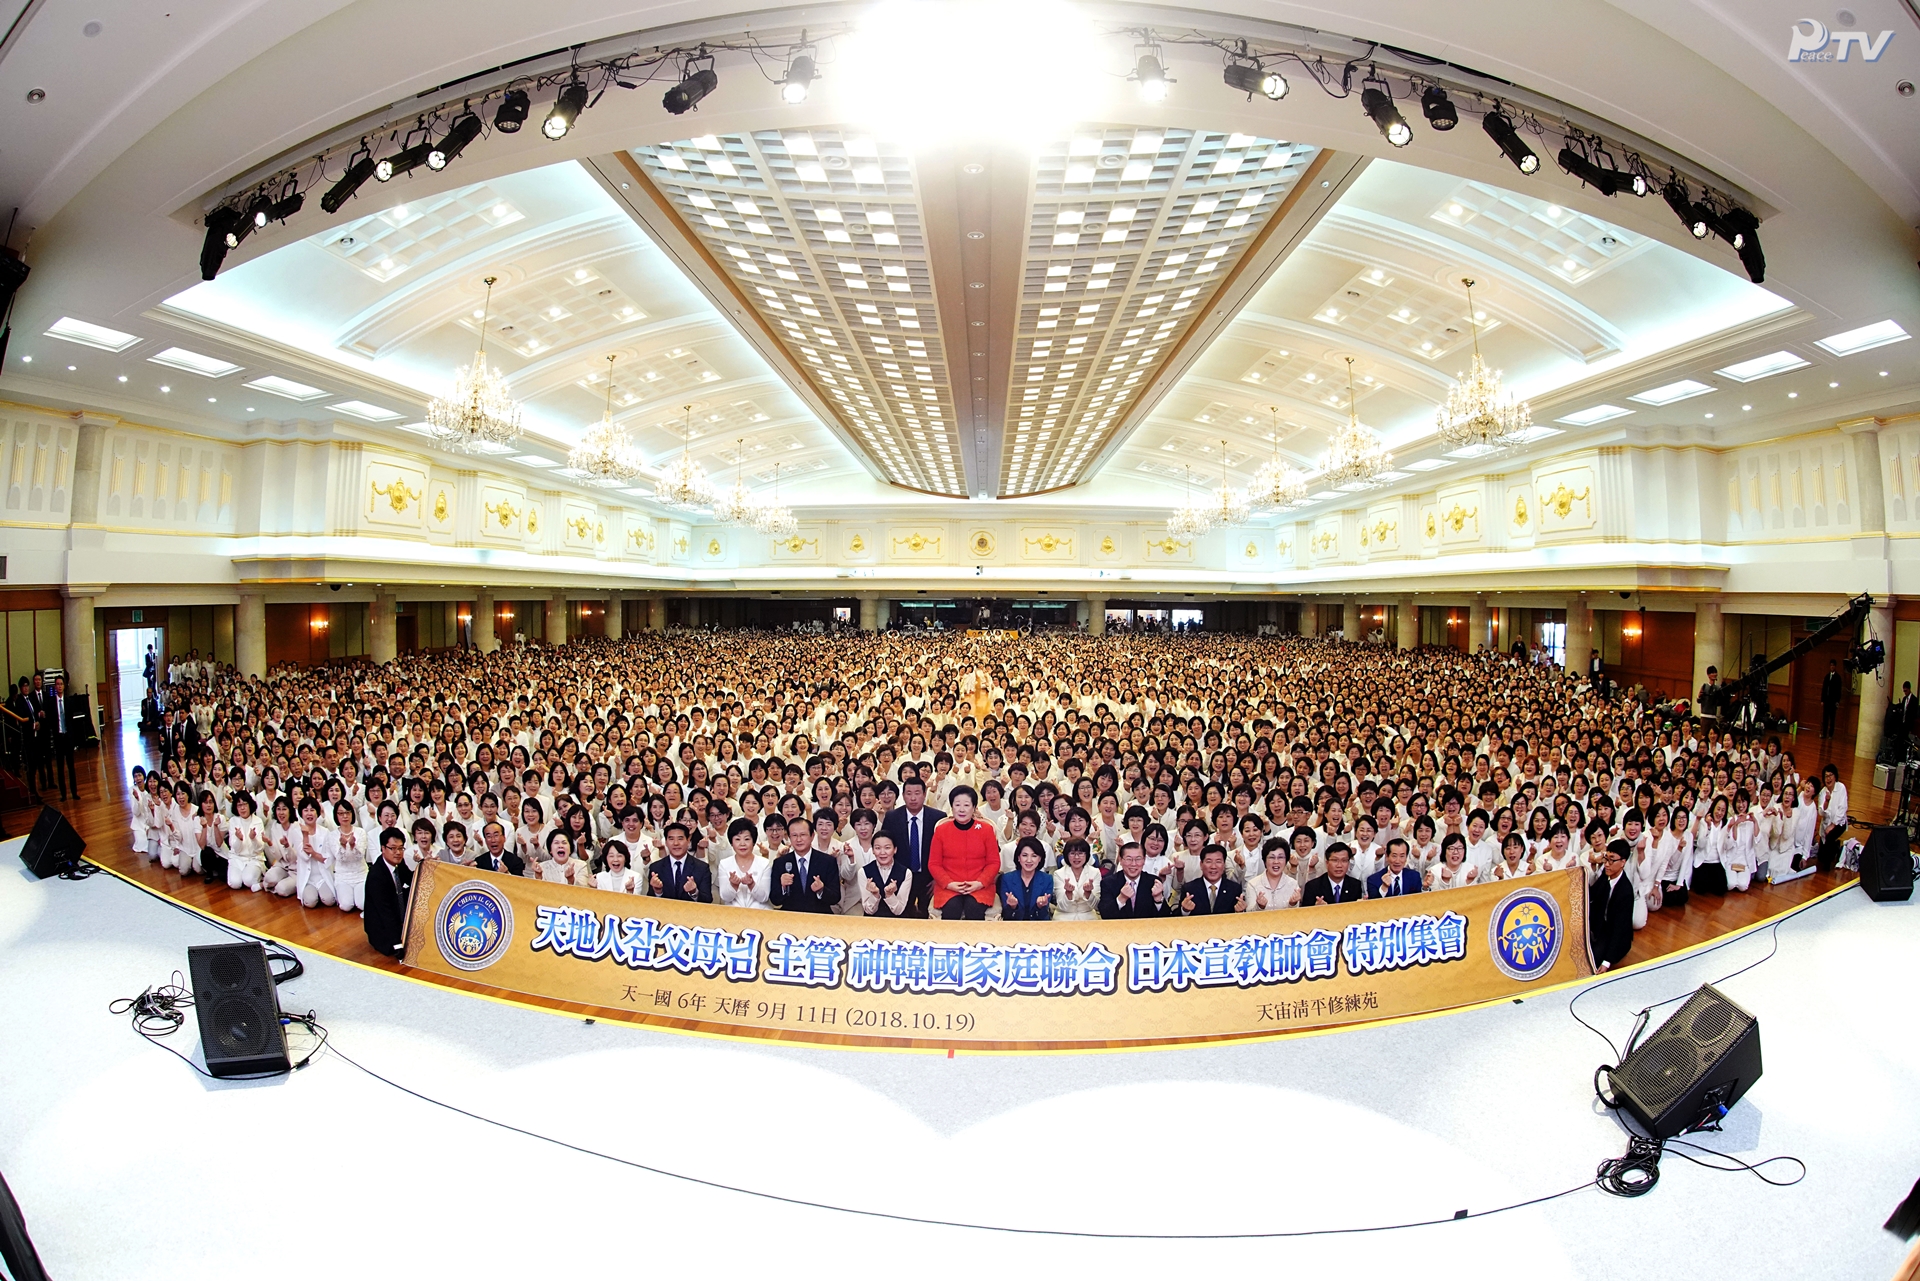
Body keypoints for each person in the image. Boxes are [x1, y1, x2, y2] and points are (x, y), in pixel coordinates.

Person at [927, 784, 999, 921]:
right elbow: (934, 864)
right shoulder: (941, 830)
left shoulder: (986, 830)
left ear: (974, 808)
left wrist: (979, 883)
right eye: (957, 804)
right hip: (949, 886)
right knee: (951, 909)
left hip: (979, 886)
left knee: (974, 909)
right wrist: (949, 884)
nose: (961, 809)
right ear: (951, 806)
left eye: (966, 805)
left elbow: (994, 862)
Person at [363, 826, 414, 959]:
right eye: (393, 848)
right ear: (383, 848)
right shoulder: (376, 876)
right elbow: (384, 912)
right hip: (381, 926)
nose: (398, 852)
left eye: (401, 848)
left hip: (397, 915)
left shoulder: (399, 862)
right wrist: (398, 943)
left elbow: (412, 879)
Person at [770, 814, 838, 912]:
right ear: (789, 837)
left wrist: (821, 890)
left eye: (803, 835)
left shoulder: (827, 861)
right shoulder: (780, 863)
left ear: (812, 836)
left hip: (819, 917)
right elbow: (775, 900)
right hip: (790, 918)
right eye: (794, 835)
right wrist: (783, 887)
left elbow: (835, 898)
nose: (798, 839)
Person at [878, 775, 944, 874]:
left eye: (917, 793)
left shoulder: (938, 818)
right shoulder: (892, 817)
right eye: (909, 794)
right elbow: (885, 845)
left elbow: (944, 851)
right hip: (899, 877)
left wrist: (937, 877)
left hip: (930, 877)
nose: (913, 798)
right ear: (903, 795)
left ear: (924, 794)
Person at [1590, 840, 1635, 972]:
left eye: (1612, 860)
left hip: (1613, 934)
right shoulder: (1606, 873)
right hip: (1600, 926)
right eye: (1606, 859)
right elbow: (1592, 894)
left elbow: (1619, 929)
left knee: (1593, 959)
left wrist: (1606, 962)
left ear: (1623, 862)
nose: (1607, 864)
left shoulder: (1625, 892)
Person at [648, 822, 713, 902]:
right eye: (671, 839)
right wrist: (658, 892)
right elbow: (650, 901)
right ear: (666, 842)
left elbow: (708, 900)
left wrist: (694, 892)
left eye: (680, 838)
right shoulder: (656, 867)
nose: (676, 843)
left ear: (688, 841)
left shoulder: (702, 868)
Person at [1098, 842, 1166, 918]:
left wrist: (1158, 900)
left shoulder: (1154, 882)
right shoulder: (1108, 882)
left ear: (1144, 860)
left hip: (1147, 928)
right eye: (1129, 859)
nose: (1133, 864)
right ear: (1120, 860)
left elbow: (1166, 917)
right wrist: (1121, 899)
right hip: (1120, 928)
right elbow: (1105, 915)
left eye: (1138, 859)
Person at [997, 836, 1055, 921]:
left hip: (1039, 928)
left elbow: (1044, 916)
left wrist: (1040, 907)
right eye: (1024, 855)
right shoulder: (1006, 879)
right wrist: (1013, 907)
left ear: (1040, 859)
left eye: (1034, 856)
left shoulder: (1047, 879)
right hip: (1014, 928)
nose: (1029, 860)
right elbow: (1006, 915)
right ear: (1018, 857)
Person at [859, 831, 914, 917]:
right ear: (872, 850)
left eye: (887, 848)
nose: (882, 852)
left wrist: (890, 895)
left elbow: (899, 910)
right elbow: (868, 910)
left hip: (897, 924)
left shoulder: (906, 873)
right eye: (877, 848)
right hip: (872, 924)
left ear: (895, 849)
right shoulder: (863, 872)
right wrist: (875, 895)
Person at [1179, 844, 1241, 915]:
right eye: (1208, 861)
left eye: (1218, 861)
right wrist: (1185, 911)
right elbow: (1175, 918)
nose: (1213, 866)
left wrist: (1240, 912)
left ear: (1224, 865)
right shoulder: (1189, 889)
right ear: (1201, 864)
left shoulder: (1234, 889)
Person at [47, 674, 81, 801]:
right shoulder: (51, 702)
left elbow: (72, 720)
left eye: (61, 684)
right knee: (60, 767)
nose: (59, 686)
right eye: (57, 684)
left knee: (71, 767)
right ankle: (63, 794)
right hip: (58, 737)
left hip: (68, 737)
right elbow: (51, 720)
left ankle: (74, 792)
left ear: (64, 686)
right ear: (55, 686)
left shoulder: (69, 701)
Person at [1300, 843, 1364, 907]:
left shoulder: (1355, 885)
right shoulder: (1312, 886)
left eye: (1344, 860)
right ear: (1327, 863)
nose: (1339, 865)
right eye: (1335, 860)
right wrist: (1316, 909)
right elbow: (1305, 914)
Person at [1820, 659, 1844, 739]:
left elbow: (1838, 690)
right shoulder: (1827, 676)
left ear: (1835, 666)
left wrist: (1837, 701)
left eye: (1833, 665)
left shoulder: (1838, 677)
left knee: (1832, 718)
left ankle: (1830, 734)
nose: (1832, 667)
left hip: (1833, 701)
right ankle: (1824, 733)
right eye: (1831, 665)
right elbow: (1824, 689)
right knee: (1825, 718)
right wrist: (1822, 700)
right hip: (1826, 700)